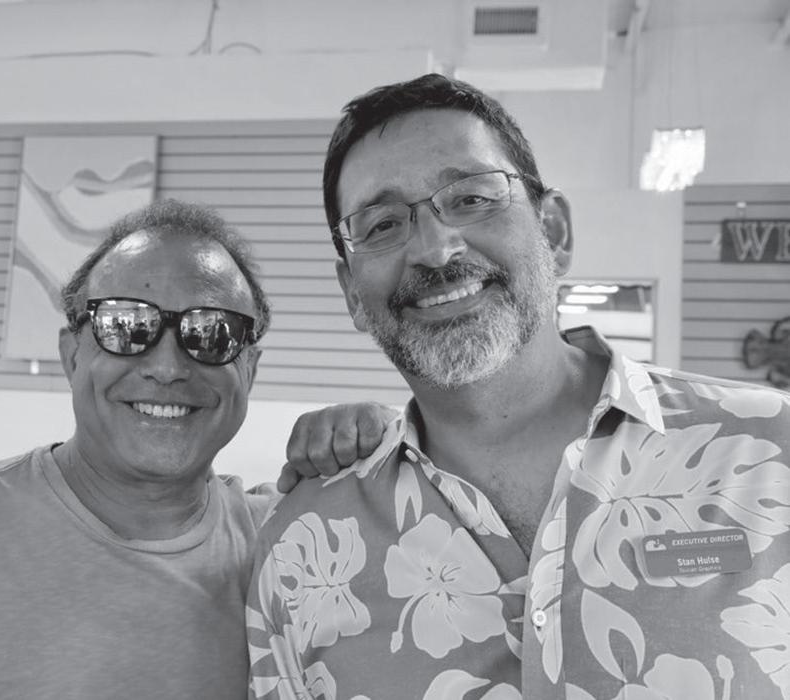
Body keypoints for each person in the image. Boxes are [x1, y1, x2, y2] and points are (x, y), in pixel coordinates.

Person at [246, 74, 790, 700]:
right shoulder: (301, 550)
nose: (435, 249)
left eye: (471, 198)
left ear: (554, 232)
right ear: (351, 293)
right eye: (383, 224)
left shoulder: (768, 453)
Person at [0, 199, 389, 700]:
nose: (168, 366)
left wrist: (383, 434)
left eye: (211, 332)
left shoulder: (283, 548)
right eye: (125, 326)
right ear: (71, 356)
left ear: (248, 370)